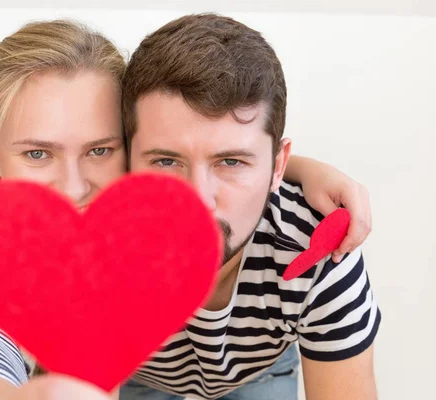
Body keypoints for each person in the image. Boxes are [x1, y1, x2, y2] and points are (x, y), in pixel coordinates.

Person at [0, 19, 370, 400]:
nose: (73, 187)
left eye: (99, 150)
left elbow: (205, 143)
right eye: (37, 153)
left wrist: (297, 171)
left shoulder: (121, 222)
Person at [118, 14, 380, 400]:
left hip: (259, 373)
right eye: (166, 161)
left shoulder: (318, 250)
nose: (199, 199)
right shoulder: (97, 246)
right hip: (139, 375)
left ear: (278, 165)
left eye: (231, 162)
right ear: (126, 161)